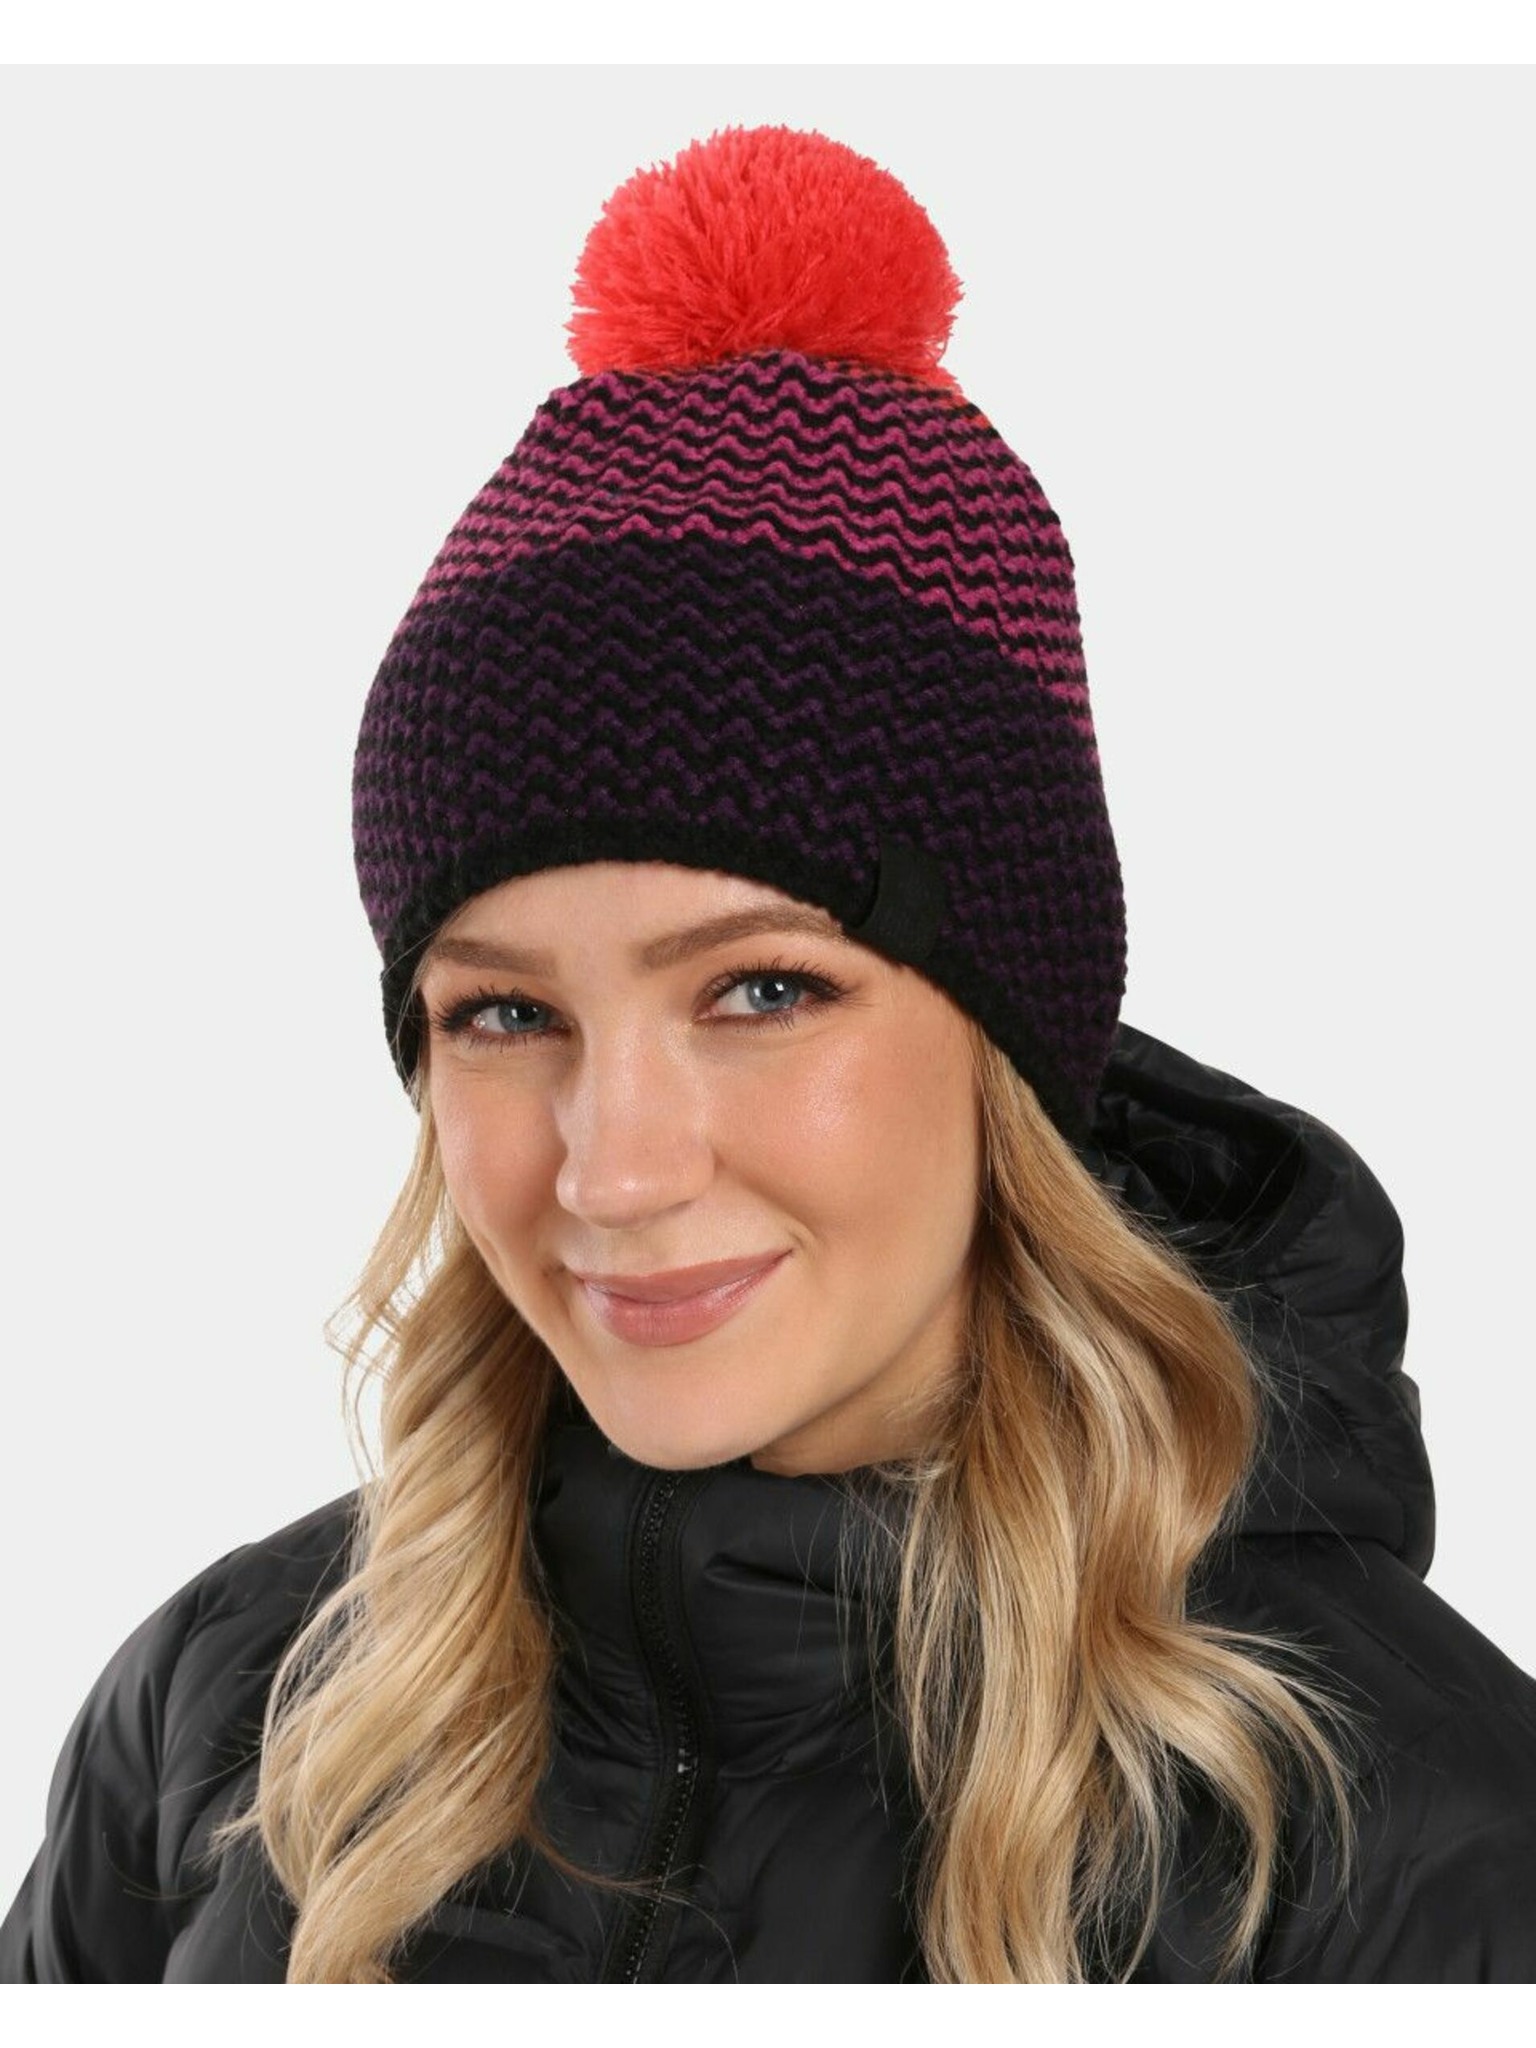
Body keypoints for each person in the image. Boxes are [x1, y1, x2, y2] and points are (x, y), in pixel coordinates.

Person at [3, 122, 1534, 1987]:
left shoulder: (1405, 1844)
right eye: (504, 1015)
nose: (616, 1168)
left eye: (761, 993)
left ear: (1011, 1037)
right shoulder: (238, 1711)